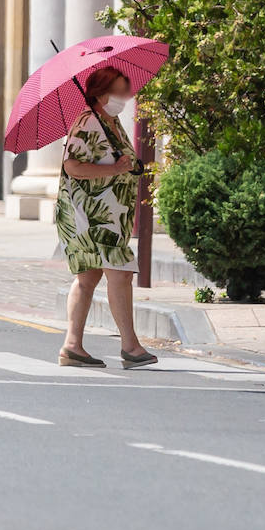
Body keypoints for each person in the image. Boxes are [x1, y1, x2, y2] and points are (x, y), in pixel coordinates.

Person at [54, 66, 158, 370]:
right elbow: (72, 165)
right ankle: (130, 347)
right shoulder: (88, 122)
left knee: (88, 277)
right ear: (101, 93)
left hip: (108, 214)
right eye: (119, 88)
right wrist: (114, 170)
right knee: (121, 273)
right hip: (92, 216)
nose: (126, 95)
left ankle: (72, 346)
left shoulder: (109, 122)